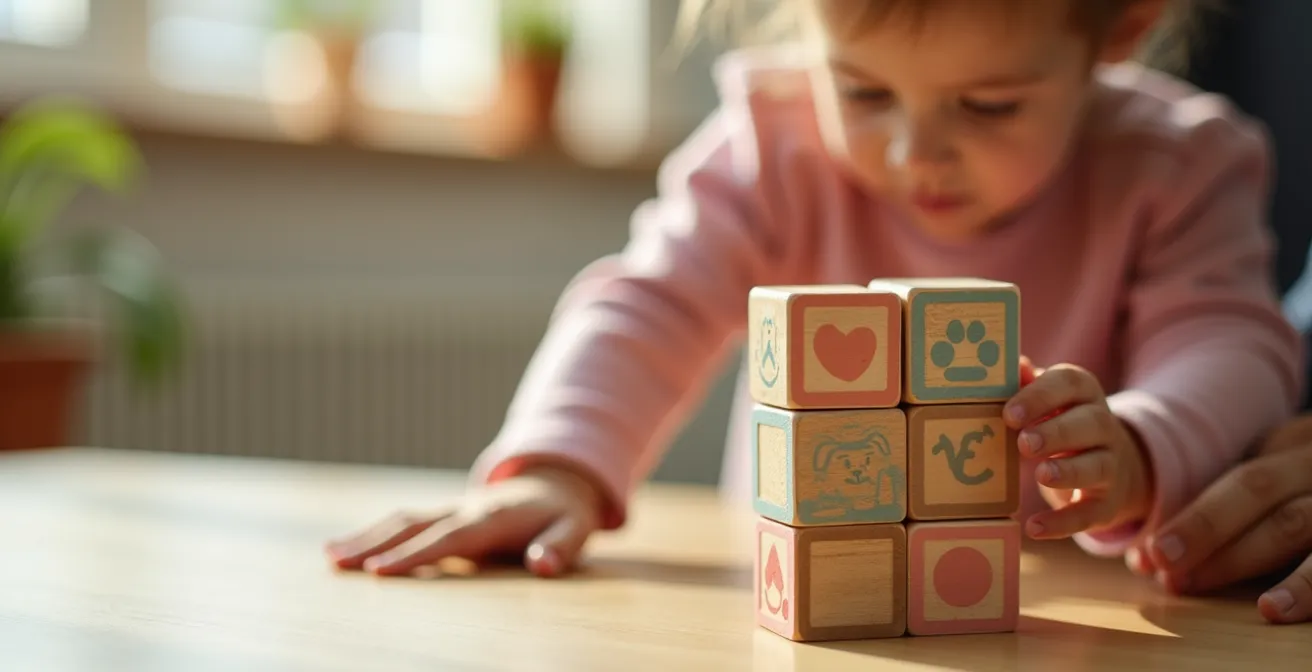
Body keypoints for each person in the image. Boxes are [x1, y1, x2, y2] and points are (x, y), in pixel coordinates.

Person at [324, 0, 1304, 591]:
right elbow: (648, 305)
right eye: (864, 92)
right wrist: (558, 471)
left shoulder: (1179, 163)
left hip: (1070, 618)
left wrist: (1139, 442)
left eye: (988, 105)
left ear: (1118, 32)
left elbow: (1232, 344)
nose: (913, 153)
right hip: (809, 618)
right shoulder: (772, 142)